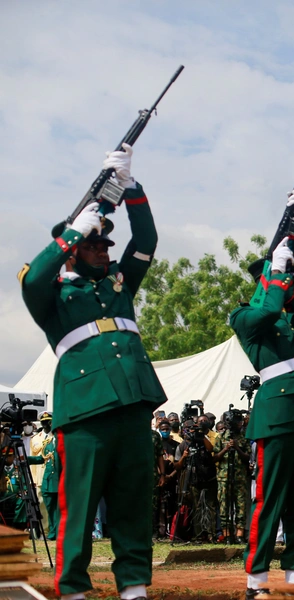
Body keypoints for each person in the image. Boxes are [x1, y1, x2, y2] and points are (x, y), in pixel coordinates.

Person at [19, 142, 164, 600]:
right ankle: (74, 590)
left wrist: (131, 187)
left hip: (135, 402)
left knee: (133, 504)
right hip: (85, 410)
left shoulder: (119, 285)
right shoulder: (53, 296)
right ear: (73, 251)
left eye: (105, 245)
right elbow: (32, 277)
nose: (104, 251)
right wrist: (70, 233)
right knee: (77, 508)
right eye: (94, 244)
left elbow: (147, 241)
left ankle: (134, 587)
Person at [229, 184, 294, 597]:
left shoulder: (290, 313)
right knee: (269, 501)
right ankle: (256, 581)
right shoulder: (248, 317)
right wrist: (277, 265)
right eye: (284, 277)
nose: (292, 283)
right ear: (266, 281)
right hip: (276, 417)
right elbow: (268, 306)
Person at [173, 419, 217, 542]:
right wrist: (184, 456)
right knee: (196, 507)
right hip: (192, 479)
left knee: (210, 507)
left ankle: (211, 534)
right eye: (191, 429)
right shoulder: (182, 446)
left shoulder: (203, 440)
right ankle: (198, 535)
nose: (193, 431)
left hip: (208, 478)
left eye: (195, 428)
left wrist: (201, 436)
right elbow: (177, 466)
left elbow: (210, 449)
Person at [213, 409, 251, 544]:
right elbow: (215, 457)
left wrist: (237, 448)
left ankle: (239, 535)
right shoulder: (221, 437)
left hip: (239, 477)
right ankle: (227, 535)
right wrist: (226, 448)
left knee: (240, 507)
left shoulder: (244, 437)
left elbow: (248, 457)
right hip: (224, 477)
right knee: (224, 507)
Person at [31, 412, 53, 533]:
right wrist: (32, 479)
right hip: (39, 475)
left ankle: (54, 529)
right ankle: (44, 530)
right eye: (44, 422)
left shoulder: (56, 437)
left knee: (53, 503)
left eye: (48, 422)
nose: (46, 425)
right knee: (41, 503)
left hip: (52, 474)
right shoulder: (35, 439)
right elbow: (32, 458)